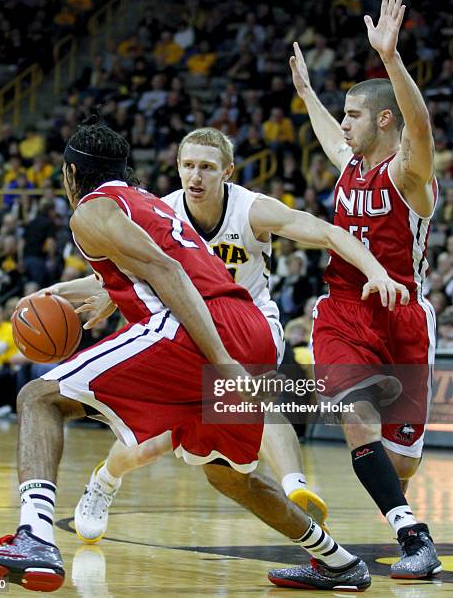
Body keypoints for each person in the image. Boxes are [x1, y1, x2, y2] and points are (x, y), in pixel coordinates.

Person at [0, 120, 382, 593]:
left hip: (196, 330)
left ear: (71, 174)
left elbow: (167, 270)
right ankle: (337, 561)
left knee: (38, 397)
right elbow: (158, 267)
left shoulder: (92, 211)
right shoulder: (150, 203)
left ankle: (34, 539)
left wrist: (221, 361)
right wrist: (90, 292)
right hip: (247, 323)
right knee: (229, 476)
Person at [66, 127, 404, 551]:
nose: (196, 176)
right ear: (177, 168)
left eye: (207, 167)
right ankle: (105, 479)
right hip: (185, 328)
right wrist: (95, 295)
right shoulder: (159, 211)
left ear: (226, 171)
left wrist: (375, 271)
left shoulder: (251, 210)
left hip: (248, 323)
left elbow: (329, 233)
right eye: (188, 165)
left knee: (259, 393)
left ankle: (295, 487)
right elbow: (128, 272)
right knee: (152, 445)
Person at [273, 0, 441, 584]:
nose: (344, 126)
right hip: (343, 311)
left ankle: (390, 533)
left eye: (354, 116)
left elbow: (420, 127)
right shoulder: (348, 163)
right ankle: (400, 543)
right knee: (354, 418)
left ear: (384, 120)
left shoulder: (409, 176)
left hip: (403, 322)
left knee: (398, 462)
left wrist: (393, 60)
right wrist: (309, 96)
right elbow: (327, 132)